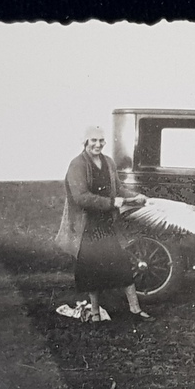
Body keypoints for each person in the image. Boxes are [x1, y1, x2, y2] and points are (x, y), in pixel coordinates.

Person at [55, 125, 155, 322]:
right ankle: (94, 313)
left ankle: (135, 309)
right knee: (91, 272)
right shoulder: (77, 165)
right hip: (87, 227)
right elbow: (80, 197)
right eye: (93, 140)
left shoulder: (107, 162)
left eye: (101, 140)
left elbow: (118, 189)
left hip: (107, 224)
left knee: (123, 267)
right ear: (85, 142)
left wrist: (136, 197)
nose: (98, 144)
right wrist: (110, 203)